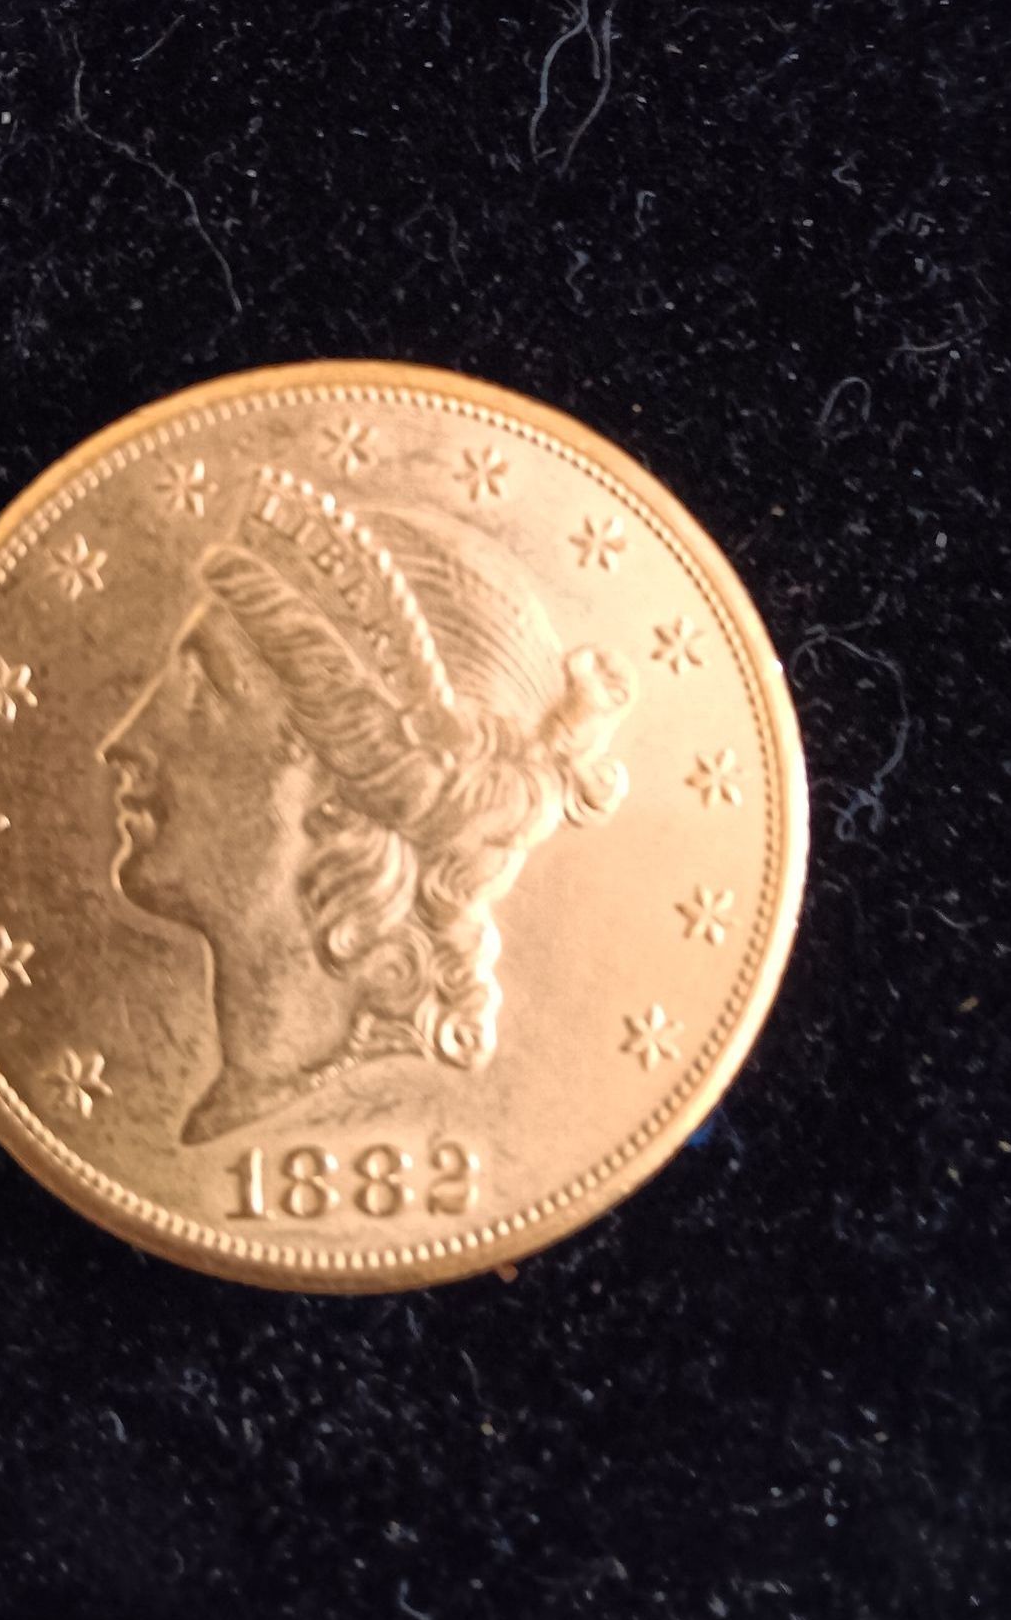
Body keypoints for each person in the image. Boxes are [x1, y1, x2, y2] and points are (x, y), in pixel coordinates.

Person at [100, 467, 636, 1144]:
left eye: (200, 690)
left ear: (339, 787)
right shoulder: (265, 1102)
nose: (124, 742)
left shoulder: (406, 1116)